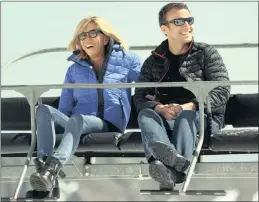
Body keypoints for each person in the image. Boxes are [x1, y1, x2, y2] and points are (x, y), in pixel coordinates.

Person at [29, 16, 141, 195]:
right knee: (44, 110)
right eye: (82, 36)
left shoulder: (127, 60)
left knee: (78, 119)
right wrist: (52, 124)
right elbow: (65, 106)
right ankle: (42, 165)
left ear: (105, 37)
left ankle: (53, 167)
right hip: (77, 123)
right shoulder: (74, 70)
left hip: (107, 124)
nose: (87, 39)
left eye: (92, 33)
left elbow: (149, 84)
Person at [133, 3, 230, 187]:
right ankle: (173, 164)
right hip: (167, 117)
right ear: (165, 29)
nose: (187, 25)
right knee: (146, 114)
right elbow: (140, 96)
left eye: (189, 20)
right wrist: (159, 108)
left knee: (185, 116)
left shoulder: (205, 53)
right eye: (179, 21)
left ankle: (166, 167)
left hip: (202, 117)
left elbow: (222, 90)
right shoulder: (153, 61)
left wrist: (189, 106)